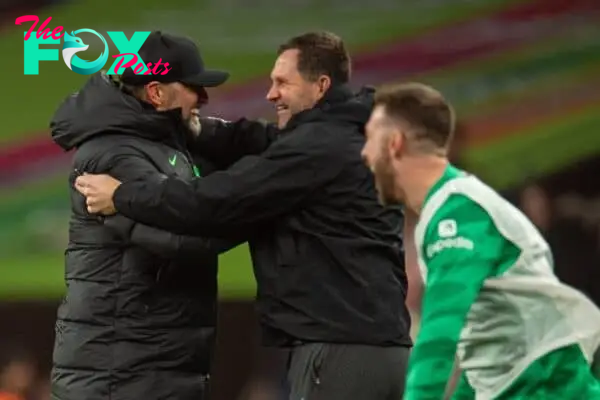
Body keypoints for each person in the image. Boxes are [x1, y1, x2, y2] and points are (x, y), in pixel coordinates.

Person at [74, 31, 412, 400]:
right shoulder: (351, 134)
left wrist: (121, 195)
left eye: (283, 82)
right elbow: (264, 140)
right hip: (379, 347)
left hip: (338, 351)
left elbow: (217, 201)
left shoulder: (316, 150)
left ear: (321, 86)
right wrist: (199, 128)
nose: (271, 93)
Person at [361, 82, 600, 399]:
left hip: (548, 383)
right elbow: (480, 361)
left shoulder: (458, 215)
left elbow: (439, 334)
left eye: (369, 140)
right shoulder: (446, 211)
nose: (364, 154)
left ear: (395, 144)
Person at [49, 31, 238, 400]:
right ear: (156, 92)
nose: (204, 97)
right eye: (193, 86)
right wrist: (268, 208)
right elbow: (186, 238)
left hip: (144, 369)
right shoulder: (113, 154)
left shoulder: (158, 145)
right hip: (118, 378)